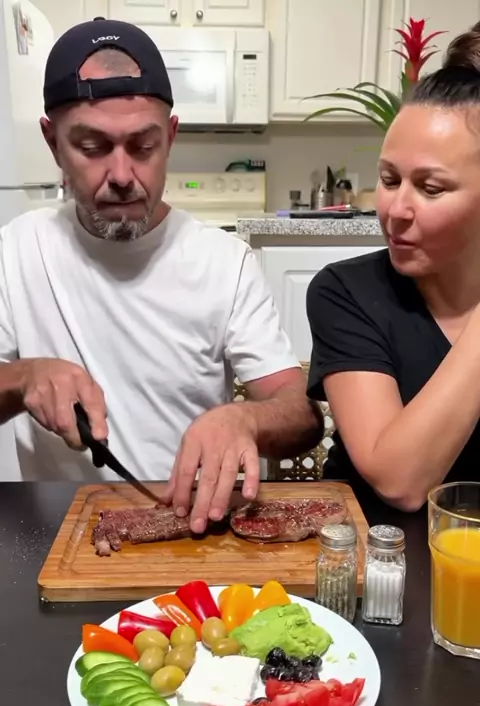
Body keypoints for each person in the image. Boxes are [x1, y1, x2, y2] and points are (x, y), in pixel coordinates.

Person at [0, 17, 322, 534]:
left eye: (143, 146)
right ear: (52, 142)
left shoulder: (225, 262)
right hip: (59, 537)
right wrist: (22, 378)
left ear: (170, 137)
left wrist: (245, 419)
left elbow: (302, 414)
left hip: (195, 531)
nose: (122, 175)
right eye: (92, 147)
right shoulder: (14, 251)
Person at [307, 22, 480, 512]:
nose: (396, 210)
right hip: (377, 553)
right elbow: (400, 481)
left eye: (430, 188)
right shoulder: (347, 292)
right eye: (389, 179)